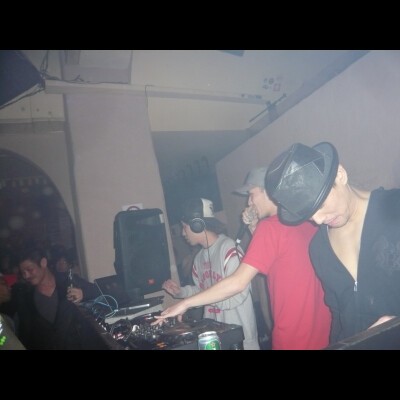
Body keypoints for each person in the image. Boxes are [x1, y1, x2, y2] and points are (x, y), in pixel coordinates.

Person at [156, 173, 332, 350]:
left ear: (269, 191)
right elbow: (279, 264)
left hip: (293, 335)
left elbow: (238, 284)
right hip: (325, 331)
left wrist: (186, 303)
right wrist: (255, 227)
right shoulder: (308, 221)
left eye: (251, 194)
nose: (248, 202)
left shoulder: (268, 228)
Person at [265, 141, 400, 344]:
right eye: (309, 215)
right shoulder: (319, 247)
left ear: (340, 175)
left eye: (320, 205)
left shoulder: (395, 208)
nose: (318, 220)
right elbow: (338, 316)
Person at [162, 197, 260, 350]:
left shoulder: (229, 249)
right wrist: (181, 292)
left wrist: (193, 302)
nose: (182, 233)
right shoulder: (199, 258)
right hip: (215, 339)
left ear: (197, 225)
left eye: (184, 227)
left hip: (239, 339)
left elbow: (235, 296)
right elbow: (201, 290)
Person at [9, 246, 100, 349]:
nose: (26, 276)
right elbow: (25, 334)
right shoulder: (25, 298)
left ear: (43, 263)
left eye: (29, 269)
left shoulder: (69, 281)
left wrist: (84, 293)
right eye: (23, 272)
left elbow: (99, 292)